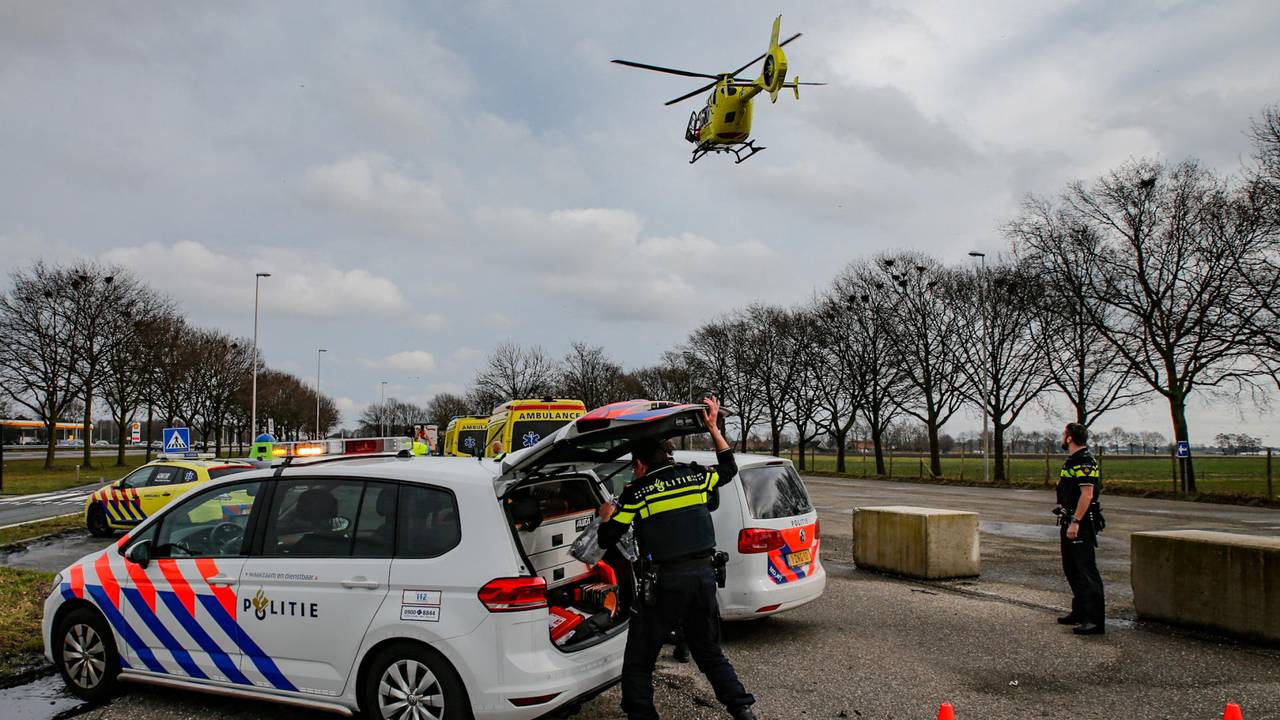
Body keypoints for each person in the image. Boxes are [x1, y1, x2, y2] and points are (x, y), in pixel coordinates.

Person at [597, 396, 757, 720]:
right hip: (704, 580)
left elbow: (606, 539)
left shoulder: (636, 493)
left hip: (665, 585)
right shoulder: (695, 477)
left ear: (639, 465)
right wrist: (713, 427)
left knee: (639, 661)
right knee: (710, 653)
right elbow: (728, 467)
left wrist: (606, 515)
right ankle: (742, 710)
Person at [1055, 422, 1106, 635]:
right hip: (1070, 518)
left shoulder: (1084, 461)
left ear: (1069, 438)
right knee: (1072, 568)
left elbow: (1087, 495)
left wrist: (1076, 521)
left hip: (1081, 522)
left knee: (1086, 570)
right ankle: (1080, 611)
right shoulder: (1073, 461)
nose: (1061, 437)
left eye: (1063, 434)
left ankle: (1094, 620)